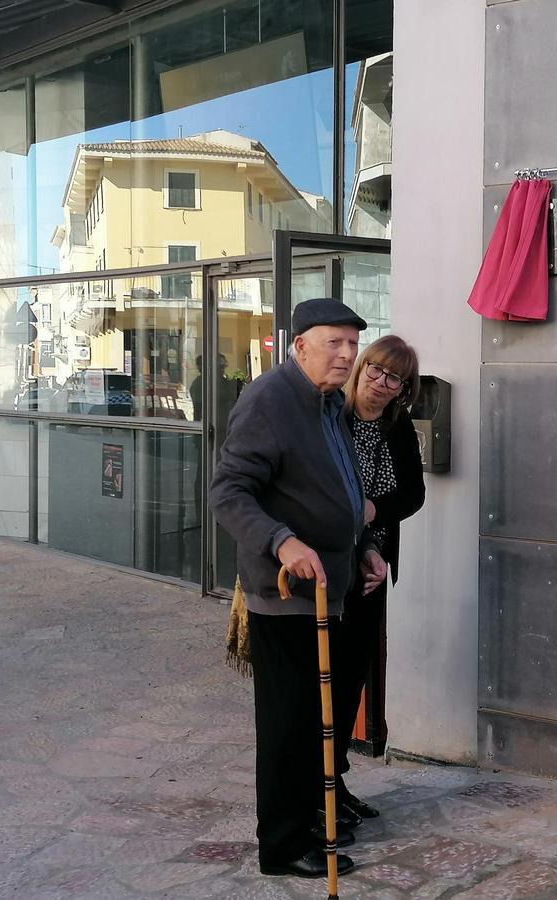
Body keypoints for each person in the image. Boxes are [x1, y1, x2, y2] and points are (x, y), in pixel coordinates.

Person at [209, 297, 388, 880]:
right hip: (285, 591)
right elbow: (229, 491)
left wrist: (362, 547)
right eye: (333, 343)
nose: (346, 355)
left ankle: (309, 815)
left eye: (352, 344)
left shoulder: (330, 403)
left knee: (319, 718)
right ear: (299, 346)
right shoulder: (268, 399)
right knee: (288, 724)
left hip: (331, 586)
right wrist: (282, 541)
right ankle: (282, 846)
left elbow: (339, 484)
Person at [332, 336, 424, 823]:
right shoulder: (333, 417)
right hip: (330, 563)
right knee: (323, 678)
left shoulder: (397, 425)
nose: (382, 385)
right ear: (361, 367)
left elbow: (413, 493)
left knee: (354, 677)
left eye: (395, 380)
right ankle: (318, 783)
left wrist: (375, 509)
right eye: (376, 372)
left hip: (374, 566)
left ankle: (336, 778)